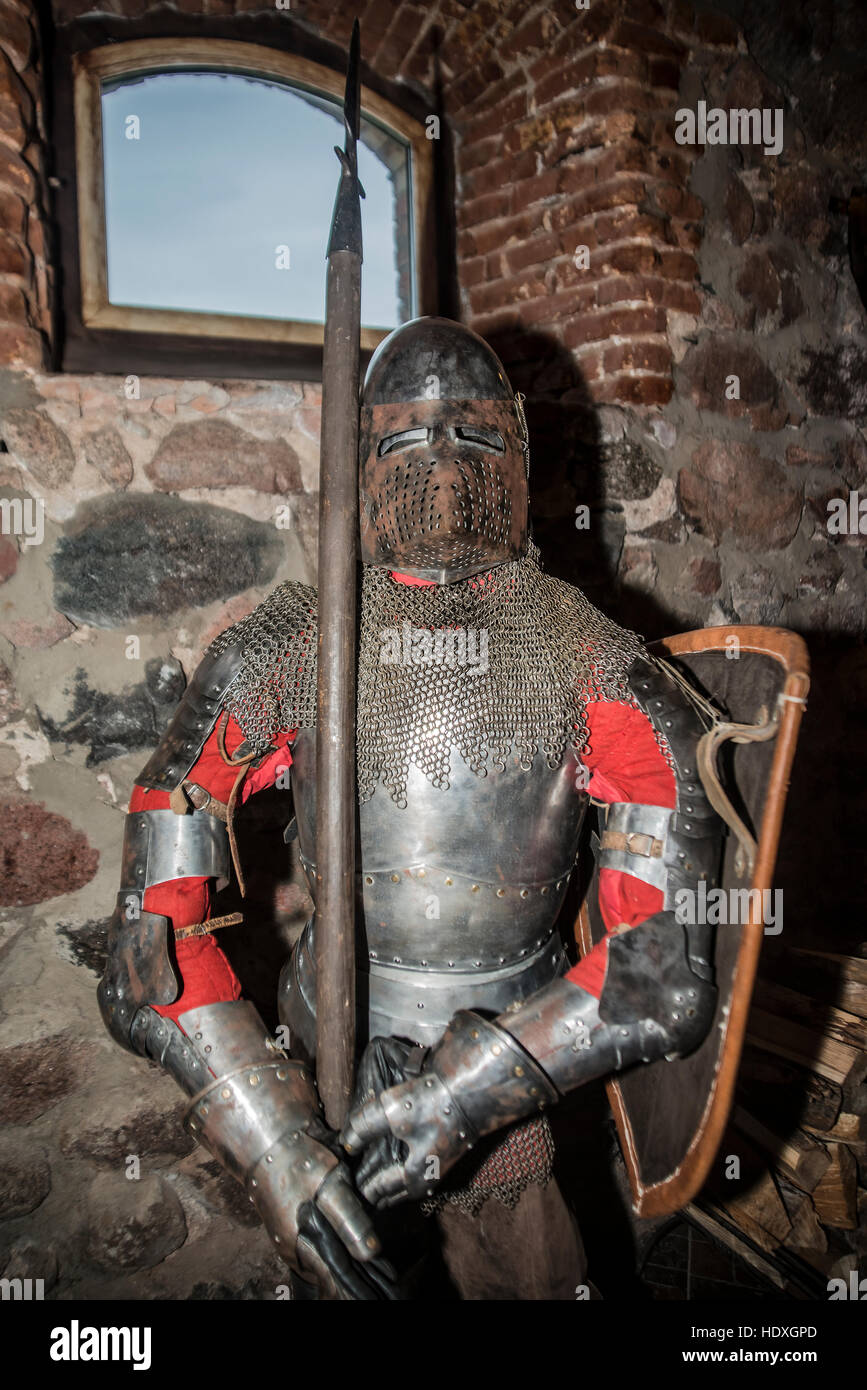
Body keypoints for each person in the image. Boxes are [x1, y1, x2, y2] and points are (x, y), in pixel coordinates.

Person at [98, 317, 724, 1300]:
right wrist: (276, 1142)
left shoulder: (596, 661)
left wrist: (464, 1096)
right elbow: (147, 950)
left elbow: (663, 973)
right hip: (327, 1084)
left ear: (513, 452)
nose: (440, 464)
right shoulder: (284, 648)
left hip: (516, 1078)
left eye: (469, 439)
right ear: (364, 459)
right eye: (405, 441)